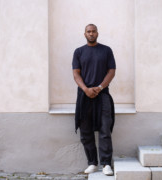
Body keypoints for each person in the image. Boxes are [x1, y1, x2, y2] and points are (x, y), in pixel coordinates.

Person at [72, 24, 116, 176]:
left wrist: (100, 87)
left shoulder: (106, 50)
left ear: (97, 33)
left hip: (102, 95)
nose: (91, 34)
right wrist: (86, 89)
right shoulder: (79, 52)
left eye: (93, 31)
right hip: (84, 96)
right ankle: (92, 163)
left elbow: (112, 71)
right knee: (86, 131)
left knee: (105, 130)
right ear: (84, 34)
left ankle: (106, 164)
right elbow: (76, 73)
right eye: (88, 32)